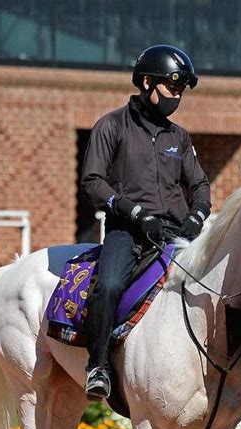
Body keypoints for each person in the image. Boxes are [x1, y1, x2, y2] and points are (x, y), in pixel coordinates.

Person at [81, 44, 211, 399]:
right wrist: (135, 212)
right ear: (148, 83)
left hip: (175, 234)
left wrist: (198, 214)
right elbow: (92, 182)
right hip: (128, 231)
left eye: (182, 89)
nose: (177, 95)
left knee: (218, 284)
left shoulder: (179, 137)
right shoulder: (111, 126)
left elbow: (198, 183)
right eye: (173, 87)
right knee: (107, 286)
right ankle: (98, 366)